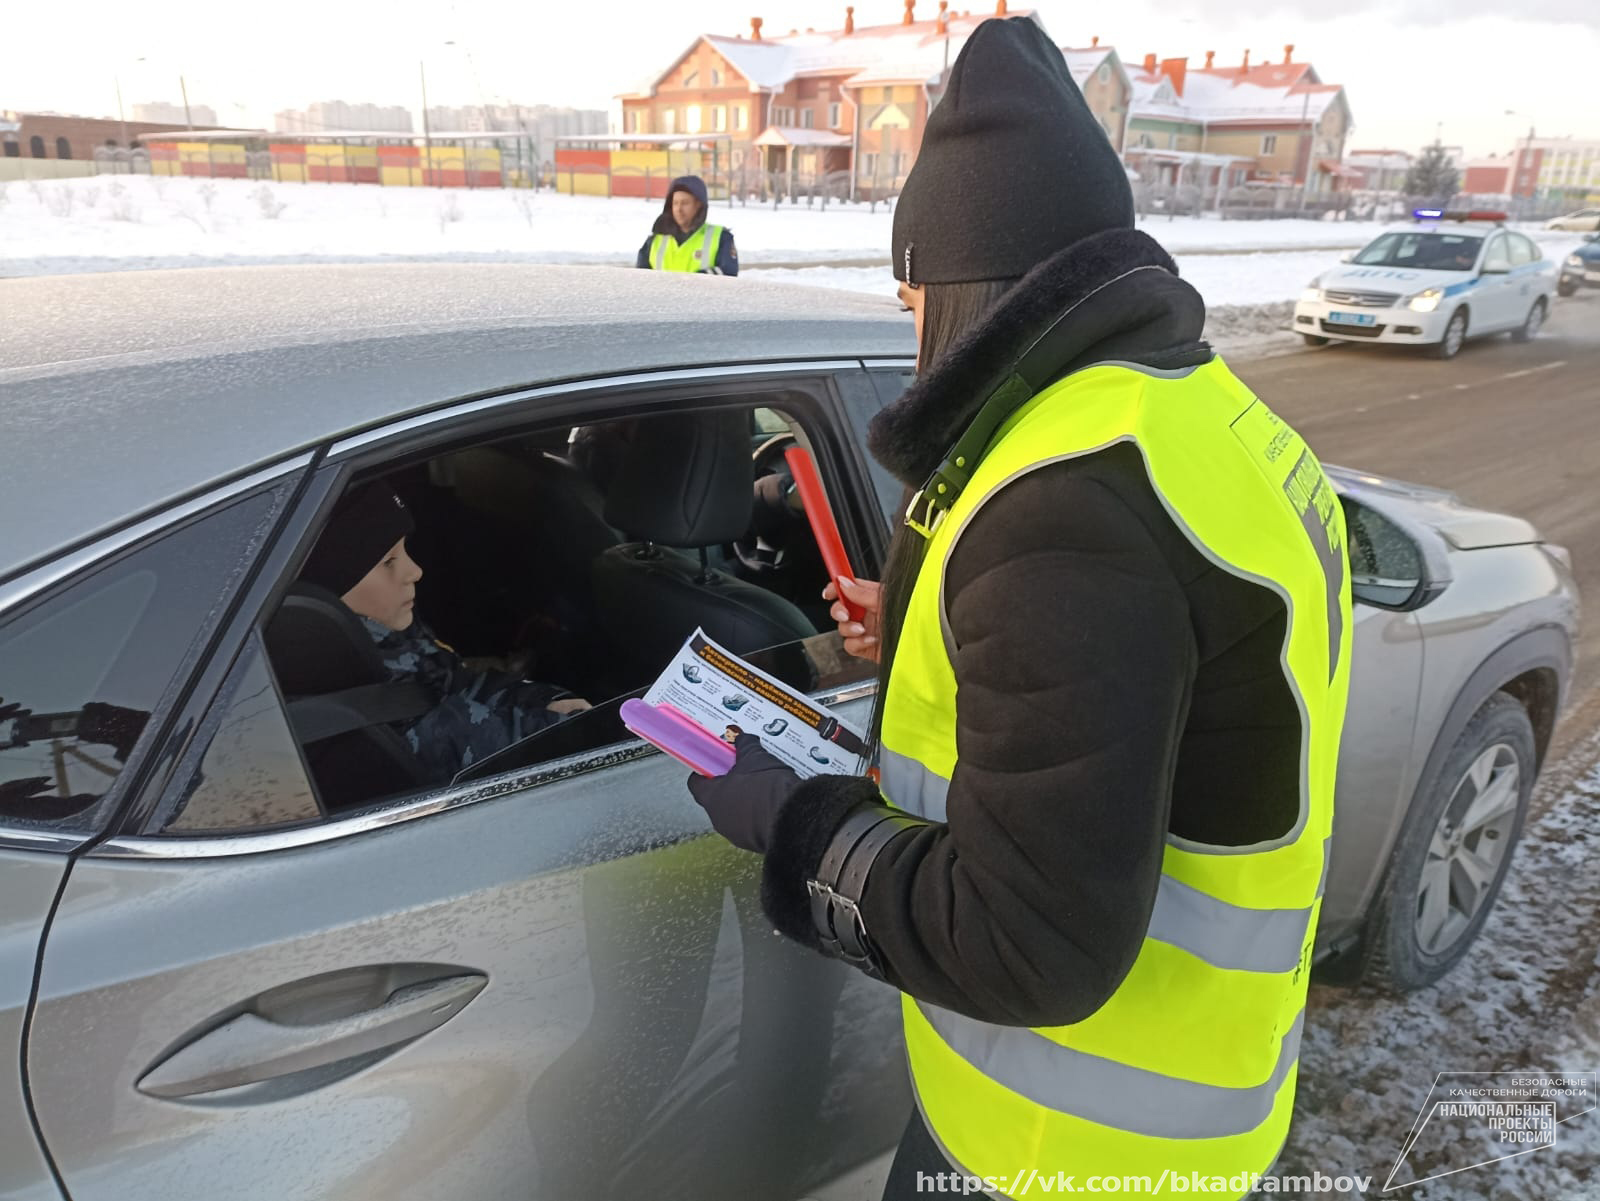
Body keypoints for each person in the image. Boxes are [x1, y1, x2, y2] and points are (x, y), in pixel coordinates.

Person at [685, 19, 1351, 1201]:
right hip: (1173, 1098)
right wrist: (943, 625)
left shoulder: (1062, 513)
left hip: (1068, 1149)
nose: (909, 328)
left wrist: (790, 824)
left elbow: (1023, 941)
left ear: (960, 284)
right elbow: (1173, 668)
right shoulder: (1194, 426)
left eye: (910, 297)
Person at [299, 483, 590, 785]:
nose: (415, 571)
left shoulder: (388, 636)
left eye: (404, 551)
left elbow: (455, 681)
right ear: (332, 593)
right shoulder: (357, 686)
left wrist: (543, 701)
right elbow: (458, 741)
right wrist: (560, 726)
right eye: (388, 562)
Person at [636, 175, 739, 275]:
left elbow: (728, 273)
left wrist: (692, 282)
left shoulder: (721, 238)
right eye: (675, 203)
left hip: (702, 293)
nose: (679, 209)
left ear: (698, 205)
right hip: (661, 293)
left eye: (685, 203)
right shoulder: (654, 241)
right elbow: (641, 279)